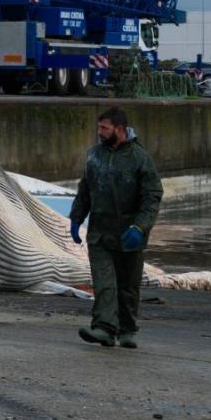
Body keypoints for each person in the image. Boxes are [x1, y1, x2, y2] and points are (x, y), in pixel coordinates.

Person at [68, 107, 163, 350]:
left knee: (128, 286)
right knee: (104, 283)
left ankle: (127, 330)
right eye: (99, 127)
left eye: (104, 128)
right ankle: (104, 328)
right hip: (100, 233)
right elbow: (85, 190)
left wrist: (140, 227)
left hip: (130, 234)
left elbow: (152, 196)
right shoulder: (94, 156)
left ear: (119, 129)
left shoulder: (140, 158)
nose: (99, 133)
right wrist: (77, 218)